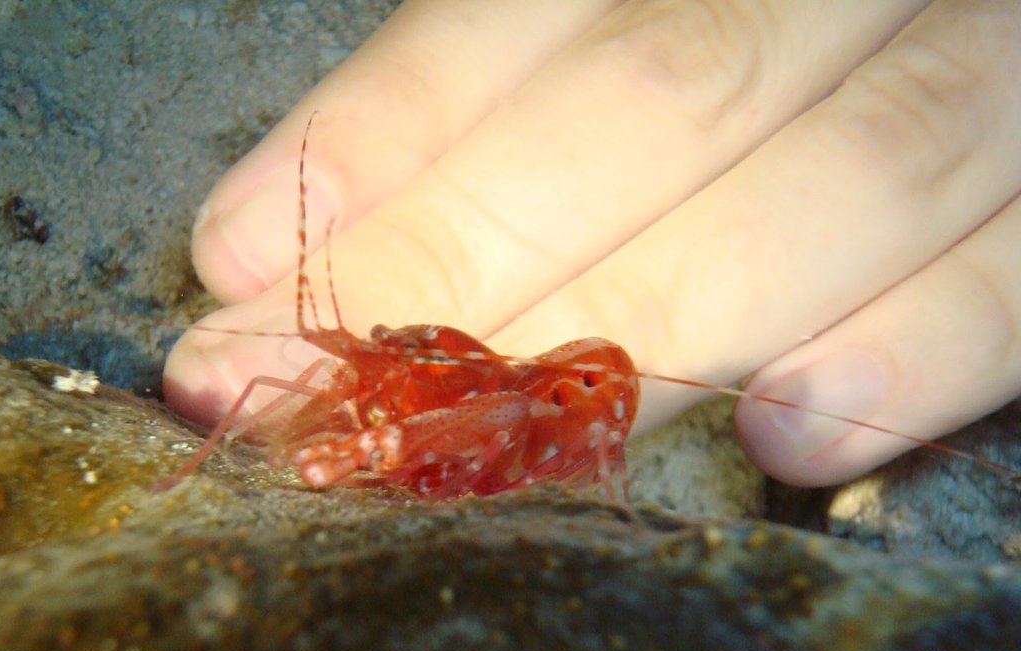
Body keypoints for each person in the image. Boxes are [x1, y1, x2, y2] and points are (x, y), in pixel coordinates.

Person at [164, 0, 1021, 487]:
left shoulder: (507, 398)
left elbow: (502, 409)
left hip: (530, 391)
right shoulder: (399, 370)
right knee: (321, 365)